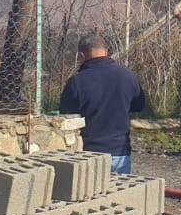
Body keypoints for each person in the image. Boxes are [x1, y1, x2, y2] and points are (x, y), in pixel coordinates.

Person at [58, 39, 146, 174]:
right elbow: (139, 105)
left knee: (88, 193)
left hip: (88, 153)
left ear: (81, 56)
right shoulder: (128, 76)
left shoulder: (77, 81)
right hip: (119, 150)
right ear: (106, 52)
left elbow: (66, 116)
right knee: (119, 192)